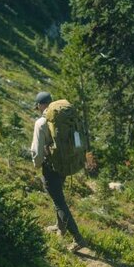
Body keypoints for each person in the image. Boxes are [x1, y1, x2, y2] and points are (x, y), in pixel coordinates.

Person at [31, 91, 86, 251]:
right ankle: (59, 227)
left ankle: (78, 238)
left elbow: (36, 151)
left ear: (41, 105)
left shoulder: (41, 123)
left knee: (59, 202)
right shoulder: (65, 118)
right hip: (66, 163)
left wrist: (37, 164)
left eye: (38, 107)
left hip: (51, 167)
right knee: (59, 196)